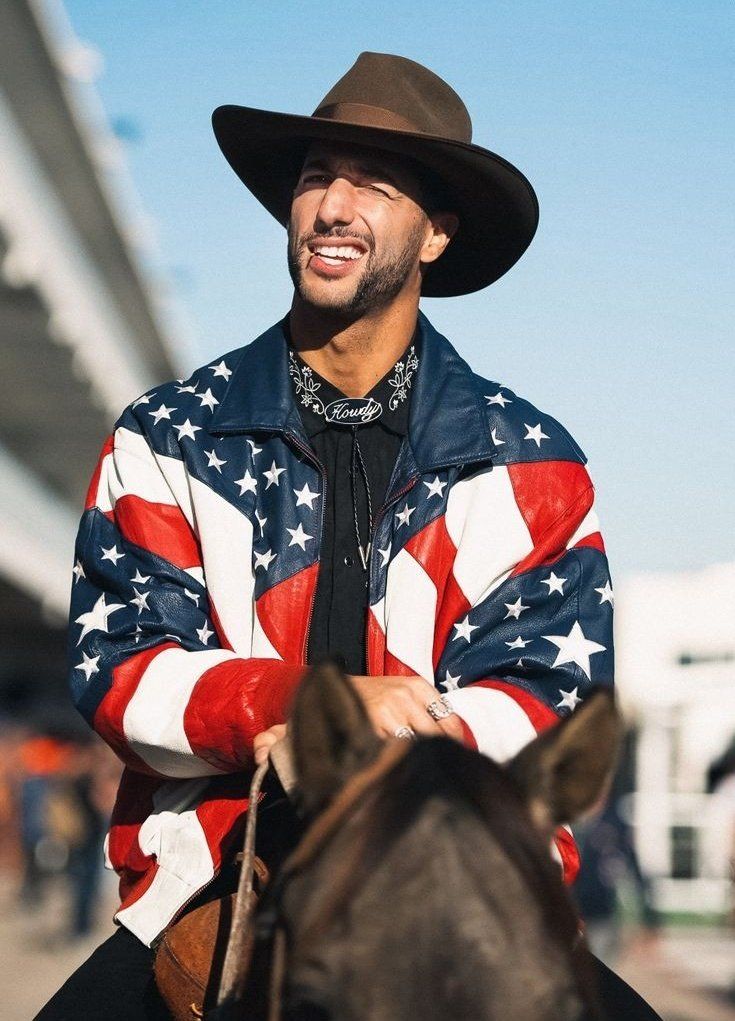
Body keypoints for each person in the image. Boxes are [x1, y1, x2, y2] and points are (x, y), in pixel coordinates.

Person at [38, 52, 659, 1019]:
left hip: (466, 873)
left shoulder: (535, 463)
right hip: (212, 870)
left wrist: (392, 740)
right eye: (316, 177)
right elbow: (119, 666)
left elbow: (549, 694)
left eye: (372, 184)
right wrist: (304, 706)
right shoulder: (164, 434)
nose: (332, 205)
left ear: (436, 234)